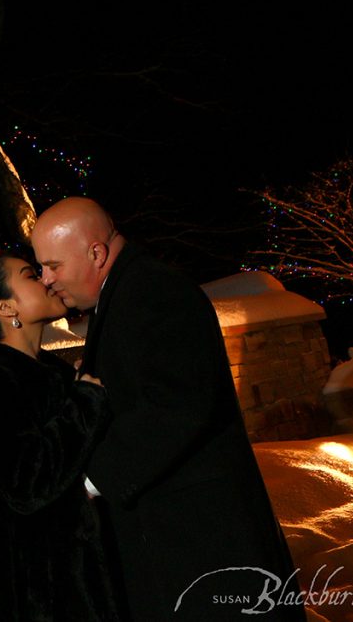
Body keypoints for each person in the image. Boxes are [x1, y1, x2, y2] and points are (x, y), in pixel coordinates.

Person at [31, 197, 305, 621]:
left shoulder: (152, 291)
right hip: (184, 539)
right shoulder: (126, 292)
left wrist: (89, 479)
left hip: (204, 541)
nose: (46, 280)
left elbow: (177, 404)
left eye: (53, 265)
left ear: (96, 253)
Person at [0, 255, 121, 621]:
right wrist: (84, 406)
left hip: (85, 587)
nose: (46, 279)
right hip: (43, 602)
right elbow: (27, 483)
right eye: (31, 275)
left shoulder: (51, 375)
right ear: (5, 306)